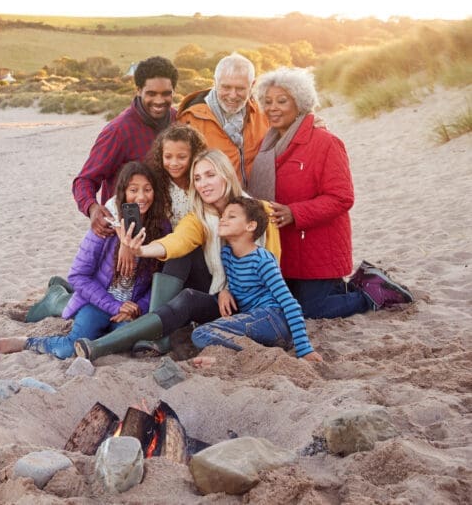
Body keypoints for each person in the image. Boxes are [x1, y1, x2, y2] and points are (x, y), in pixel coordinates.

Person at [73, 149, 281, 361]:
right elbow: (177, 241)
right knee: (182, 257)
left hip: (253, 301)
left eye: (210, 175)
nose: (203, 184)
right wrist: (141, 250)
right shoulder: (199, 217)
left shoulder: (261, 212)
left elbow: (271, 265)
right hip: (218, 297)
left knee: (191, 297)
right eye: (197, 178)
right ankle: (153, 338)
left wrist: (228, 289)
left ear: (226, 175)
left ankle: (107, 337)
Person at [249, 68, 412, 316]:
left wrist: (294, 212)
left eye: (282, 101)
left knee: (311, 309)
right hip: (284, 248)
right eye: (268, 101)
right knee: (283, 305)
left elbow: (342, 197)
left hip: (318, 247)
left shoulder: (326, 142)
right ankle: (353, 284)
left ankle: (374, 292)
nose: (273, 108)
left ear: (300, 103)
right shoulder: (267, 144)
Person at [26, 124, 205, 324]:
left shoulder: (200, 183)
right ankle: (56, 298)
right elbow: (116, 204)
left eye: (182, 157)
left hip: (168, 251)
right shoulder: (156, 181)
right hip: (147, 247)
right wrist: (125, 243)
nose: (174, 163)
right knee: (87, 305)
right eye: (168, 156)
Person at [0, 162, 171, 359]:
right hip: (97, 303)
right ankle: (28, 342)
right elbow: (78, 276)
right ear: (123, 193)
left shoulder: (162, 229)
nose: (141, 197)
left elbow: (160, 281)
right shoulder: (105, 226)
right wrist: (114, 305)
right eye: (133, 190)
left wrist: (137, 308)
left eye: (147, 189)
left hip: (129, 309)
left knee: (126, 344)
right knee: (70, 348)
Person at [190, 197, 323, 364]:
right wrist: (224, 290)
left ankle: (258, 354)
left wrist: (305, 349)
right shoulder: (226, 254)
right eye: (222, 216)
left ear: (250, 226)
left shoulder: (262, 260)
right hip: (256, 323)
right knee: (205, 332)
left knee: (201, 333)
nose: (223, 219)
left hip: (272, 319)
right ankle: (230, 358)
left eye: (231, 216)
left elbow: (290, 303)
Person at [73, 56, 178, 239]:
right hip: (128, 232)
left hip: (170, 230)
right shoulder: (118, 130)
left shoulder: (179, 121)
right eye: (151, 93)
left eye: (166, 94)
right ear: (138, 90)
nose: (159, 100)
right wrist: (92, 208)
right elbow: (84, 180)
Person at [176, 52, 268, 186]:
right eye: (226, 87)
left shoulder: (263, 114)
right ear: (215, 82)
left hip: (255, 197)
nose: (233, 95)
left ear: (252, 85)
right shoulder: (190, 120)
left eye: (240, 88)